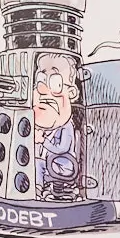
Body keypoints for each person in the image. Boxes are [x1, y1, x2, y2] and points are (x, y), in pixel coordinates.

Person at [31, 49, 81, 197]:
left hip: (63, 163)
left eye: (55, 82)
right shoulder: (40, 126)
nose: (43, 90)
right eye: (40, 79)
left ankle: (37, 191)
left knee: (38, 163)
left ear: (71, 93)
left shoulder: (66, 127)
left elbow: (62, 148)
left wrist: (43, 141)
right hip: (50, 161)